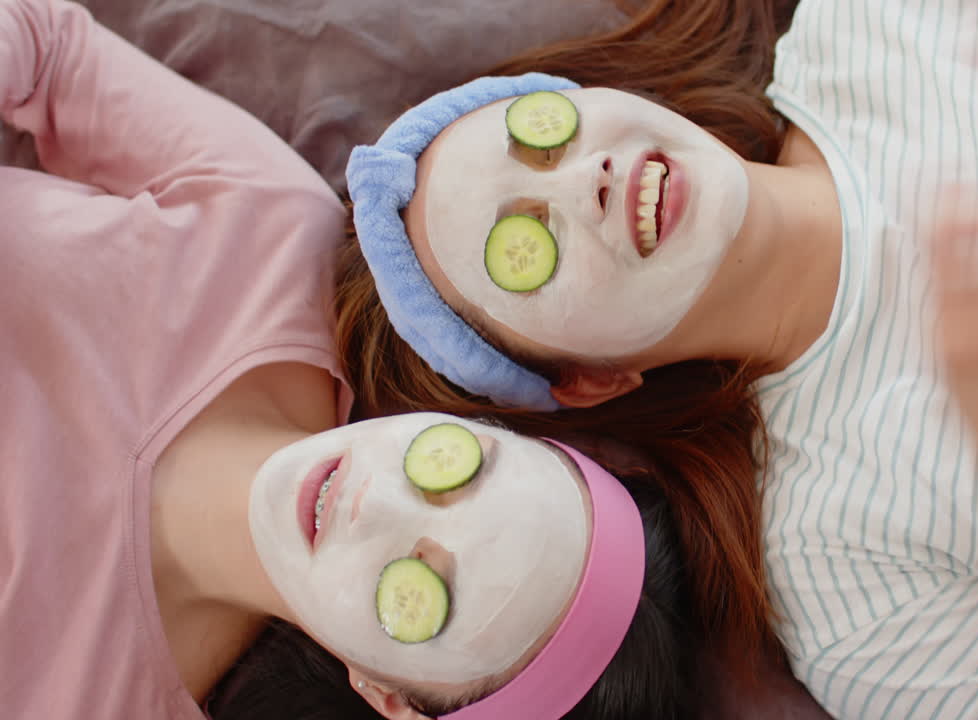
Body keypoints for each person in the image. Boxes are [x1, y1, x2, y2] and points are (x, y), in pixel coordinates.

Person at [336, 0, 978, 716]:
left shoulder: (866, 25)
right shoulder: (846, 572)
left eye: (541, 136)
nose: (587, 179)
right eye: (524, 248)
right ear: (588, 381)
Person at [0, 1, 737, 719]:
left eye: (421, 595)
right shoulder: (277, 244)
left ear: (390, 698)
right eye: (460, 470)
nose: (372, 503)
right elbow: (45, 48)